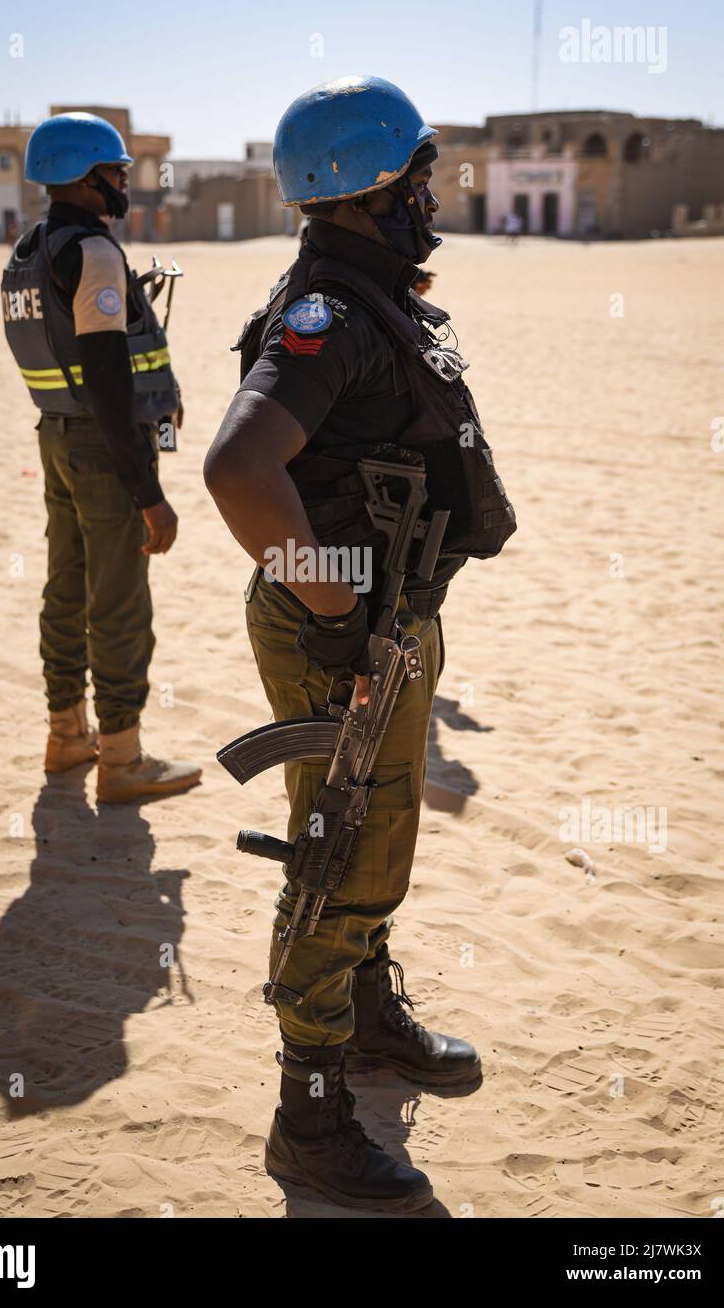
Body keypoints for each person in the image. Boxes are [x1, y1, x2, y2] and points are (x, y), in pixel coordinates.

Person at [204, 75, 508, 1213]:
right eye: (417, 177)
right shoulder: (325, 313)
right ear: (364, 188)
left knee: (370, 836)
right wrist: (337, 610)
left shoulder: (369, 291)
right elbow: (238, 467)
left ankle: (367, 1014)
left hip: (387, 617)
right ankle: (310, 1114)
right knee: (339, 850)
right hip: (345, 625)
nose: (431, 194)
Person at [1, 112, 201, 804]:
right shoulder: (94, 253)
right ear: (87, 178)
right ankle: (121, 758)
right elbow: (110, 384)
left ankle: (67, 735)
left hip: (54, 438)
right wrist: (150, 493)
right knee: (118, 602)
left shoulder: (27, 252)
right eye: (116, 173)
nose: (124, 183)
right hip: (101, 445)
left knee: (66, 586)